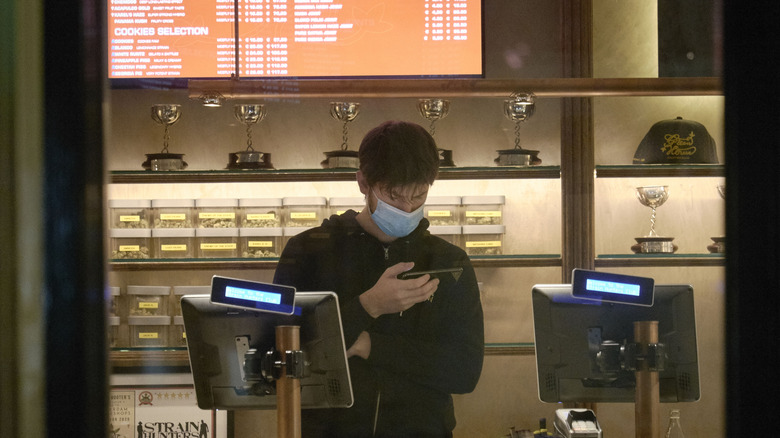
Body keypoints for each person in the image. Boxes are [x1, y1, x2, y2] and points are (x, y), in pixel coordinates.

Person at [273, 120, 484, 437]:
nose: (407, 208)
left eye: (418, 196)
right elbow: (281, 357)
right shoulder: (308, 251)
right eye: (394, 196)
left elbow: (464, 372)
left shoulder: (449, 262)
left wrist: (370, 344)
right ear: (363, 183)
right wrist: (366, 306)